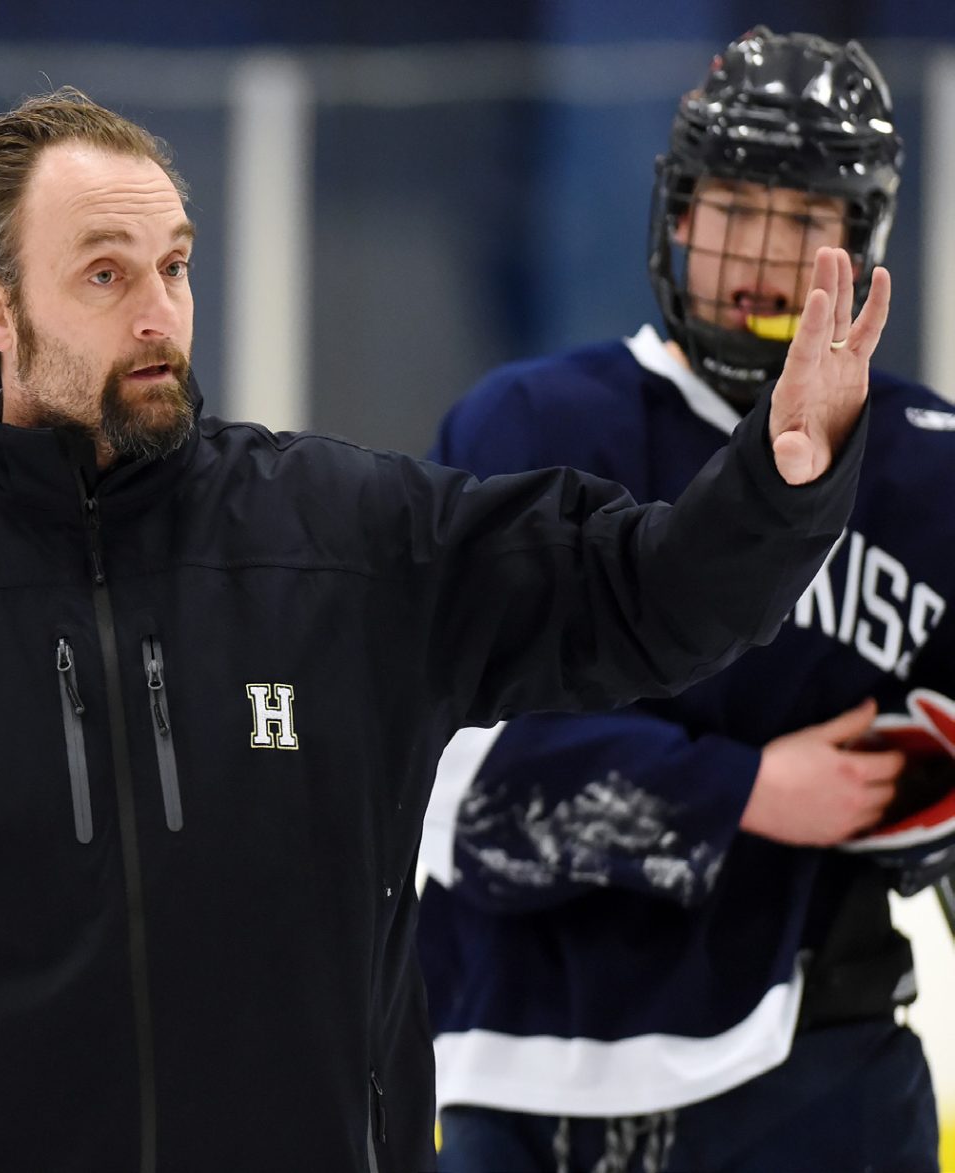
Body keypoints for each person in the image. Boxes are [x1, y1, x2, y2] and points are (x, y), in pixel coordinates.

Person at [0, 87, 886, 1173]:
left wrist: (781, 482)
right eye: (105, 274)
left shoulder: (348, 545)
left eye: (177, 266)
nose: (160, 312)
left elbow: (645, 596)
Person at [417, 27, 948, 1173]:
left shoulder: (929, 469)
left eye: (801, 220)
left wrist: (927, 790)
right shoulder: (525, 429)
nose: (759, 257)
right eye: (731, 209)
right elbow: (452, 783)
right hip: (524, 1059)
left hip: (819, 1064)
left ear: (860, 241)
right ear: (676, 215)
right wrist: (748, 789)